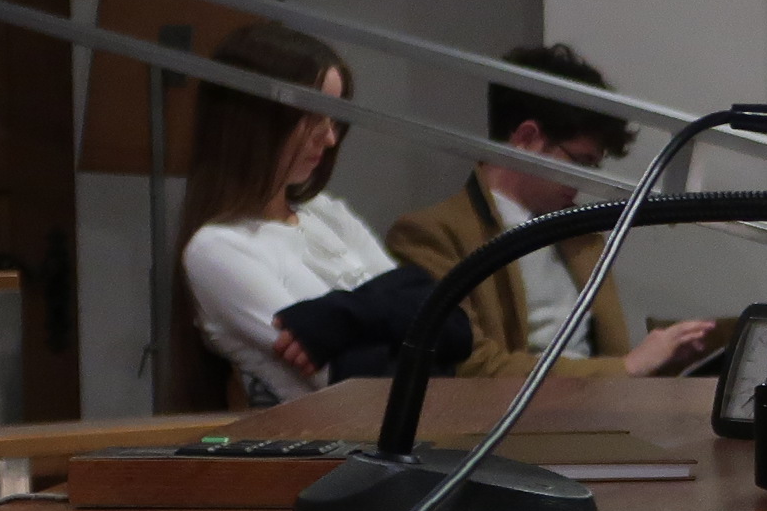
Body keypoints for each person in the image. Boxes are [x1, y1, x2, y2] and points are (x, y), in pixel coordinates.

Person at [384, 42, 716, 379]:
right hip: (514, 410)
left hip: (598, 403)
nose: (583, 181)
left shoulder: (580, 235)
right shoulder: (431, 234)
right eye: (580, 162)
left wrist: (658, 361)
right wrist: (627, 368)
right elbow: (471, 366)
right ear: (527, 138)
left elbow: (610, 356)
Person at [175, 24, 389, 407]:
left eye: (333, 119)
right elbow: (349, 376)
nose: (329, 138)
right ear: (256, 118)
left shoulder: (327, 213)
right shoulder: (218, 248)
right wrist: (393, 324)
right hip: (337, 435)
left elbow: (436, 324)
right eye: (312, 117)